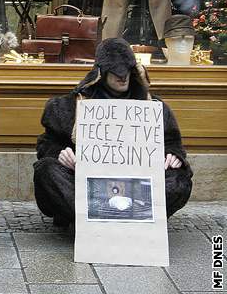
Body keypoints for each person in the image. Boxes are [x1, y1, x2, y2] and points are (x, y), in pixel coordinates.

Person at [33, 38, 193, 226]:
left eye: (127, 71)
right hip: (86, 184)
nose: (123, 77)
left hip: (137, 187)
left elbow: (172, 141)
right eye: (116, 73)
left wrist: (173, 155)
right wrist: (59, 153)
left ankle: (123, 217)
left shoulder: (152, 106)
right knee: (46, 170)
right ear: (101, 73)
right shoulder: (70, 105)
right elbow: (46, 143)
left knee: (179, 179)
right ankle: (97, 217)